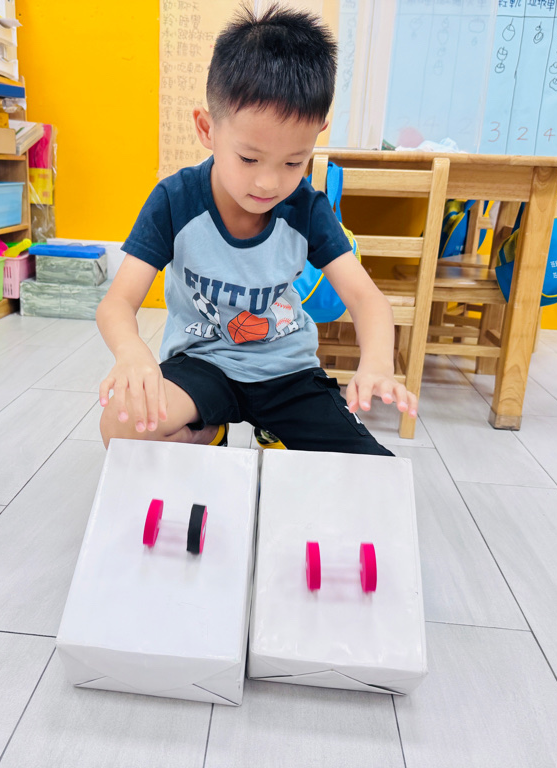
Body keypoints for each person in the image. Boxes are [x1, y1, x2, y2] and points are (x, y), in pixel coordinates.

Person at [96, 4, 414, 455]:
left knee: (371, 470)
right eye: (249, 158)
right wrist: (132, 353)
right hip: (201, 365)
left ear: (317, 136)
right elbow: (117, 302)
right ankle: (208, 432)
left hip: (287, 373)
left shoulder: (306, 209)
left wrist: (377, 364)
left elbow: (367, 299)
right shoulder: (175, 200)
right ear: (207, 128)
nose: (269, 183)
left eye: (293, 162)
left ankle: (274, 431)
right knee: (122, 423)